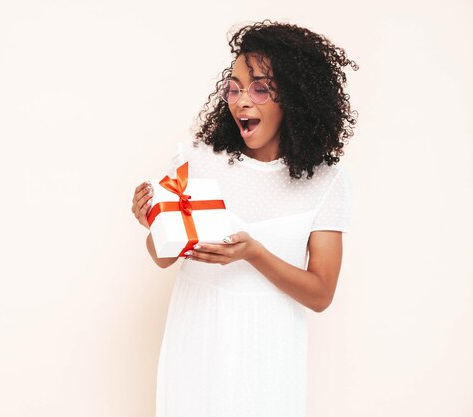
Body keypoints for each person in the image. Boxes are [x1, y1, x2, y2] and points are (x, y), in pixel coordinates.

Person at [130, 19, 359, 417]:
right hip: (198, 344)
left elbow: (321, 293)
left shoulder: (326, 182)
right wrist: (154, 220)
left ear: (296, 97)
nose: (241, 101)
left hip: (268, 355)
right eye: (233, 88)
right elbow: (164, 256)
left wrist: (254, 253)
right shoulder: (197, 161)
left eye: (260, 88)